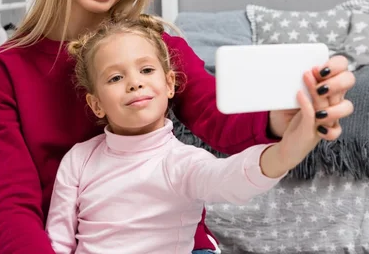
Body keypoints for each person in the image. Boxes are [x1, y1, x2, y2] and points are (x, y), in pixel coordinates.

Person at [0, 0, 356, 254]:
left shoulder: (158, 47)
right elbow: (10, 205)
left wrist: (280, 118)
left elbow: (215, 114)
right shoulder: (8, 68)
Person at [44, 14, 351, 254]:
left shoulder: (181, 162)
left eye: (146, 70)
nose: (134, 83)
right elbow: (57, 241)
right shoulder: (79, 160)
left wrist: (286, 153)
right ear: (96, 104)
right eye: (115, 77)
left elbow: (230, 178)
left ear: (170, 84)